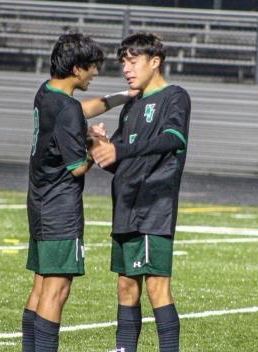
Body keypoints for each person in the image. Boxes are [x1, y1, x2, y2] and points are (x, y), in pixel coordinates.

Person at [22, 33, 135, 352]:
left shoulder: (45, 92)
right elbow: (78, 168)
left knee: (41, 284)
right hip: (61, 208)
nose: (95, 73)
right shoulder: (68, 109)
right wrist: (94, 144)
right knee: (56, 291)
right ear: (76, 69)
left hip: (39, 201)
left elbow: (76, 112)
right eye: (92, 68)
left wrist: (122, 97)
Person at [90, 32, 191, 352]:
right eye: (123, 63)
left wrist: (121, 151)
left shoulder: (175, 96)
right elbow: (118, 160)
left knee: (157, 288)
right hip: (125, 207)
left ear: (155, 61)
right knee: (125, 288)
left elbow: (174, 138)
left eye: (133, 62)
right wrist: (100, 146)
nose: (126, 69)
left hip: (153, 208)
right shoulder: (131, 105)